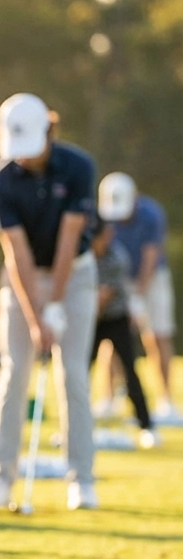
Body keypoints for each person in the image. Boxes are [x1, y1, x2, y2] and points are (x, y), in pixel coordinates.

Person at [0, 94, 99, 511]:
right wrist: (36, 317)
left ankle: (81, 479)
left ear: (49, 131)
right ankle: (1, 477)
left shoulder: (79, 166)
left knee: (74, 375)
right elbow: (17, 254)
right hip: (23, 278)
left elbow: (69, 240)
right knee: (14, 373)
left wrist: (56, 304)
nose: (24, 158)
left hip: (75, 274)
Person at [96, 173, 178, 424]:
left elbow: (150, 258)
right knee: (111, 336)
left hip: (152, 278)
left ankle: (166, 401)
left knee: (157, 335)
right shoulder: (104, 216)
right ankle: (109, 399)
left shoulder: (151, 214)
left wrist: (138, 296)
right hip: (117, 277)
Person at [89, 218, 158, 447]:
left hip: (116, 318)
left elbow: (103, 299)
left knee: (129, 370)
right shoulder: (83, 256)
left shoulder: (117, 257)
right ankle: (74, 428)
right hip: (90, 321)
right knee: (80, 372)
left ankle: (146, 425)